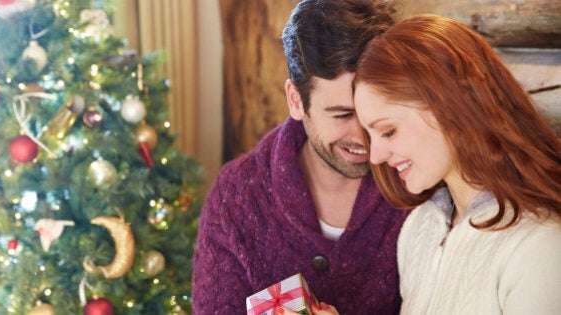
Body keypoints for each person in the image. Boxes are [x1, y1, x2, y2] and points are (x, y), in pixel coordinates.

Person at [299, 14, 561, 315]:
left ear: (448, 106)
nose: (375, 156)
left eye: (388, 131)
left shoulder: (541, 248)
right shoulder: (419, 227)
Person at [192, 0, 410, 314]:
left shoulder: (415, 181)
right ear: (296, 100)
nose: (364, 137)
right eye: (342, 115)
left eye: (373, 113)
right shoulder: (236, 195)